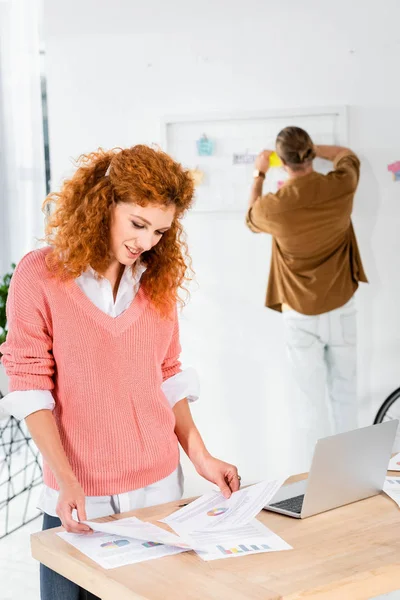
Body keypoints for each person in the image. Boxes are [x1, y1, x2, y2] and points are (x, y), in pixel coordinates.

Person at [0, 145, 240, 600]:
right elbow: (29, 383)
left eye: (160, 230)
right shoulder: (40, 276)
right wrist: (67, 478)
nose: (147, 241)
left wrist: (201, 458)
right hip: (78, 498)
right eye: (138, 223)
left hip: (160, 494)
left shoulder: (156, 283)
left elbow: (167, 376)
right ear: (103, 203)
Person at [246, 126, 368, 455]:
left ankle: (314, 478)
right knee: (344, 394)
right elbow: (347, 157)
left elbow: (250, 218)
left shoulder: (274, 207)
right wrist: (318, 149)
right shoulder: (340, 185)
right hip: (341, 305)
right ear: (310, 153)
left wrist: (259, 173)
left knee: (307, 402)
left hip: (300, 312)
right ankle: (350, 475)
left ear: (281, 161)